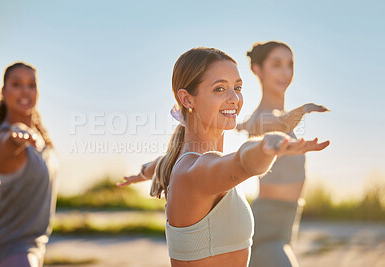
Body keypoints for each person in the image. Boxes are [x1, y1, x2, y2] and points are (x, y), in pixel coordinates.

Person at [118, 47, 329, 267]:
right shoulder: (196, 170)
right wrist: (267, 146)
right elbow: (242, 162)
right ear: (187, 100)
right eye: (219, 88)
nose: (234, 98)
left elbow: (161, 164)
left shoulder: (177, 163)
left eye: (237, 87)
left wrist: (142, 173)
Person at [236, 41, 330, 267]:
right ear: (257, 70)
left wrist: (240, 126)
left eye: (290, 65)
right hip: (266, 232)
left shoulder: (255, 119)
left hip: (284, 229)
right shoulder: (264, 119)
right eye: (276, 64)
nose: (286, 72)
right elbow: (276, 121)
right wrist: (304, 109)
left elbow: (249, 124)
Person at [0, 62, 58, 267]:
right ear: (4, 91)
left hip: (34, 245)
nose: (25, 91)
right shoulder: (5, 138)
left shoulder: (40, 137)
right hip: (12, 246)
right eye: (16, 84)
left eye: (31, 85)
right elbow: (9, 141)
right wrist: (17, 134)